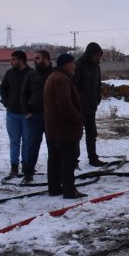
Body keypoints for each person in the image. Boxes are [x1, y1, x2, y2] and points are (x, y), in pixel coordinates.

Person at [44, 53, 85, 199]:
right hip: (64, 129)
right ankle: (69, 190)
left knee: (54, 160)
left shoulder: (52, 77)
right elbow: (64, 104)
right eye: (72, 63)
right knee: (68, 160)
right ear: (65, 64)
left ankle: (54, 188)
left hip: (53, 128)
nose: (74, 66)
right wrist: (78, 118)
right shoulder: (61, 79)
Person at [20, 50, 53, 184]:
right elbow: (23, 94)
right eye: (34, 59)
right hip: (35, 117)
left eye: (37, 58)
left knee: (54, 146)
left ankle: (55, 173)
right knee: (32, 146)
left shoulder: (55, 74)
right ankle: (28, 173)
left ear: (46, 59)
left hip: (52, 117)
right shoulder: (31, 75)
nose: (34, 61)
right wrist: (27, 112)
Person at [0, 50, 32, 177]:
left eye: (14, 59)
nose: (11, 62)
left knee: (27, 141)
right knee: (14, 141)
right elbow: (2, 88)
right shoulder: (9, 73)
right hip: (12, 113)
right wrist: (7, 102)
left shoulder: (31, 74)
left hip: (27, 114)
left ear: (21, 60)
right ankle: (14, 167)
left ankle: (26, 166)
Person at [72, 42, 106, 167]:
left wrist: (98, 98)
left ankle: (93, 158)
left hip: (91, 106)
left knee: (92, 134)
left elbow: (98, 85)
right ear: (90, 54)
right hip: (80, 107)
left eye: (99, 55)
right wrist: (80, 101)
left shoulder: (96, 66)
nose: (98, 58)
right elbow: (74, 85)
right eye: (96, 55)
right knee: (77, 135)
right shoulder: (79, 65)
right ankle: (74, 161)